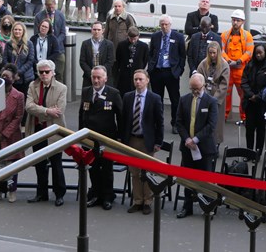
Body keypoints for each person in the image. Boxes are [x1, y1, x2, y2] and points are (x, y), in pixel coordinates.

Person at [175, 73, 218, 218]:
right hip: (187, 147)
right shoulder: (184, 100)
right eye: (192, 89)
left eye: (197, 89)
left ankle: (207, 207)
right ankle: (187, 207)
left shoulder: (211, 101)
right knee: (188, 179)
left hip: (204, 147)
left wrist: (196, 139)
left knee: (206, 179)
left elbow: (211, 125)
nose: (194, 92)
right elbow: (179, 122)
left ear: (204, 86)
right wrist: (187, 138)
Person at [79, 66, 122, 210]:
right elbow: (81, 115)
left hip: (107, 139)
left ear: (105, 78)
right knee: (93, 167)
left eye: (99, 77)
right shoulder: (86, 91)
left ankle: (108, 196)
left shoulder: (113, 93)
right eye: (93, 77)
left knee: (107, 169)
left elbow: (120, 116)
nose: (96, 80)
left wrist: (120, 139)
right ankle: (95, 194)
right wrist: (80, 136)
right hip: (89, 139)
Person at [121, 70, 164, 215]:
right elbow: (123, 119)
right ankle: (137, 201)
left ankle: (148, 201)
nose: (137, 82)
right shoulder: (128, 97)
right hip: (132, 139)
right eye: (135, 80)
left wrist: (158, 142)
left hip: (147, 141)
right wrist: (122, 139)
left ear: (147, 80)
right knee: (134, 173)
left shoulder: (154, 98)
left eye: (140, 79)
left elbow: (160, 122)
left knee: (147, 172)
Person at [26, 59, 67, 206]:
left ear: (53, 72)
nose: (43, 75)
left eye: (46, 72)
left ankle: (59, 194)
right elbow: (28, 106)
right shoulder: (33, 85)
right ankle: (41, 193)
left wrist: (39, 110)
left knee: (56, 163)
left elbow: (59, 111)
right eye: (41, 72)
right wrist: (47, 110)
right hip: (37, 129)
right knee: (39, 163)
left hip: (54, 130)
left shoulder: (61, 88)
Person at [148, 15, 186, 133]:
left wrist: (179, 71)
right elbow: (150, 53)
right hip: (157, 72)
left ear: (170, 25)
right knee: (157, 99)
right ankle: (157, 122)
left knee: (175, 99)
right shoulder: (155, 36)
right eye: (162, 24)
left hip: (171, 72)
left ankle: (175, 123)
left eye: (166, 24)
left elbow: (182, 56)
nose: (164, 27)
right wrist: (151, 68)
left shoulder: (178, 37)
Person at [0, 64, 25, 203]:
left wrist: (4, 134)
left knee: (11, 166)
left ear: (13, 79)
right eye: (2, 76)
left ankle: (12, 190)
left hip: (11, 135)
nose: (4, 78)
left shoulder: (19, 96)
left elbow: (18, 117)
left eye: (7, 76)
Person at [241, 44, 266, 152]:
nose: (258, 55)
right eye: (256, 53)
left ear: (265, 53)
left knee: (261, 129)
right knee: (249, 128)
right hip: (250, 102)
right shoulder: (249, 65)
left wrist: (258, 96)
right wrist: (250, 95)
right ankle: (249, 151)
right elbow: (244, 81)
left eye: (260, 53)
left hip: (262, 103)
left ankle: (258, 152)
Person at [221, 9, 254, 121]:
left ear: (242, 22)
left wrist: (239, 61)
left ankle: (244, 117)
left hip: (241, 71)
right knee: (226, 94)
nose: (235, 22)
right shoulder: (225, 35)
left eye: (238, 20)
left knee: (243, 95)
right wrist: (228, 60)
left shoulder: (247, 36)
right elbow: (221, 50)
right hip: (227, 70)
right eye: (234, 20)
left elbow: (249, 52)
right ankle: (224, 116)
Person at [196, 41, 229, 144]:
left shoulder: (224, 65)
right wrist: (204, 95)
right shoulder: (203, 63)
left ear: (218, 52)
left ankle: (216, 142)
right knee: (203, 119)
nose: (212, 55)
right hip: (204, 93)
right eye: (210, 53)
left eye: (214, 53)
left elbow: (224, 85)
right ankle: (202, 141)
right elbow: (198, 78)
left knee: (216, 121)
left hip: (217, 96)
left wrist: (214, 99)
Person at [34, 0, 67, 82]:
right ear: (45, 5)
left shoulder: (60, 15)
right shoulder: (39, 16)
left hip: (59, 49)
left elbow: (63, 33)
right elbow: (36, 33)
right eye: (49, 7)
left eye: (53, 6)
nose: (51, 8)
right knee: (43, 74)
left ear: (55, 4)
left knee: (59, 73)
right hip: (43, 49)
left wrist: (55, 42)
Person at [2, 22, 35, 96]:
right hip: (11, 78)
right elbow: (5, 59)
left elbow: (30, 60)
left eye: (19, 30)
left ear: (23, 31)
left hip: (25, 78)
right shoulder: (8, 44)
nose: (17, 31)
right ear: (12, 31)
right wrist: (12, 72)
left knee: (24, 99)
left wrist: (19, 72)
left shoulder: (29, 44)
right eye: (15, 29)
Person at [115, 26, 149, 97]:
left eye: (135, 39)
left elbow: (145, 60)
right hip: (124, 75)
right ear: (128, 36)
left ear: (138, 36)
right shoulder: (121, 45)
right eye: (131, 39)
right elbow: (118, 59)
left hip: (138, 73)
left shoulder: (144, 46)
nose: (133, 41)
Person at [80, 22, 115, 88]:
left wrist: (100, 74)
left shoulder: (109, 44)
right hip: (89, 78)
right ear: (91, 30)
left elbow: (110, 61)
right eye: (94, 29)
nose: (96, 32)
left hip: (104, 78)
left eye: (99, 30)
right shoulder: (85, 44)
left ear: (103, 31)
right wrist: (92, 74)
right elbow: (82, 61)